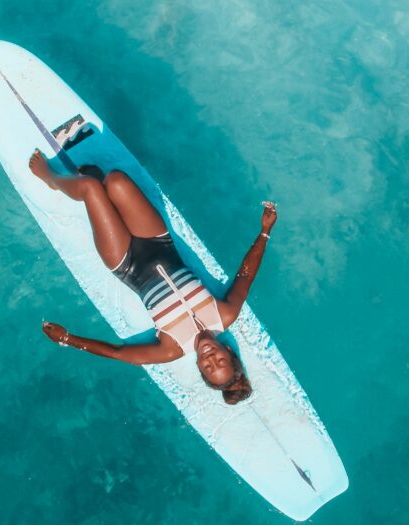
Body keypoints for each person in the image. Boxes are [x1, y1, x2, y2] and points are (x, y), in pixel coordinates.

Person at [29, 151, 277, 405]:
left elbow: (118, 353)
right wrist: (265, 232)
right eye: (220, 361)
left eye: (208, 367)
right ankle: (109, 198)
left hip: (126, 262)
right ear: (229, 351)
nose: (211, 358)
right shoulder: (224, 314)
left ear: (200, 369)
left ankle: (52, 179)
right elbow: (246, 274)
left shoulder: (171, 348)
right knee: (115, 180)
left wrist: (68, 340)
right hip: (158, 241)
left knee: (91, 187)